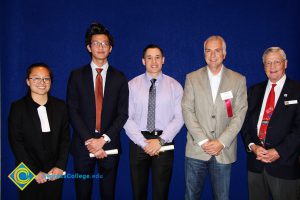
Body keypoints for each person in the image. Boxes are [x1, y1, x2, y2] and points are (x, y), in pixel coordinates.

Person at [67, 22, 129, 200]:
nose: (101, 47)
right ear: (89, 47)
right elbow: (72, 110)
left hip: (109, 147)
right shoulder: (76, 75)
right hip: (82, 145)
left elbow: (122, 113)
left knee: (108, 194)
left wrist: (102, 140)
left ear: (110, 48)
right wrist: (90, 141)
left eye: (105, 44)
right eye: (96, 43)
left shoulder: (119, 77)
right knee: (83, 194)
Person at [182, 35, 247, 200]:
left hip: (223, 151)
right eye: (208, 51)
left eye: (217, 50)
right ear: (204, 54)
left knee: (222, 197)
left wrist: (221, 142)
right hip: (197, 149)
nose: (212, 55)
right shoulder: (192, 78)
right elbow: (187, 110)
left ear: (224, 54)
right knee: (191, 196)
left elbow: (239, 114)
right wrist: (204, 141)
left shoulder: (238, 80)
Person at [124, 44, 184, 200]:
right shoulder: (131, 86)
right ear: (143, 61)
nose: (154, 62)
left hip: (164, 142)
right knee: (138, 193)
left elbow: (179, 117)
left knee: (161, 193)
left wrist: (160, 140)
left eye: (157, 57)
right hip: (138, 142)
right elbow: (125, 117)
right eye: (149, 58)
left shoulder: (175, 86)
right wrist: (144, 143)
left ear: (163, 60)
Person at [241, 47, 300, 200]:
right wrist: (252, 146)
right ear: (264, 66)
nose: (272, 67)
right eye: (268, 63)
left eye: (276, 62)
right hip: (256, 165)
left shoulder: (297, 91)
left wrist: (279, 151)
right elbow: (244, 123)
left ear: (285, 64)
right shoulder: (254, 91)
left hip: (284, 165)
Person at [8, 63, 70, 200]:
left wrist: (60, 166)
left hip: (54, 170)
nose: (42, 82)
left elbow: (65, 140)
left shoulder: (61, 107)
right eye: (36, 78)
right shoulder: (17, 107)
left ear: (51, 82)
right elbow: (16, 143)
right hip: (24, 168)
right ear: (28, 82)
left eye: (46, 79)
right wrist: (34, 171)